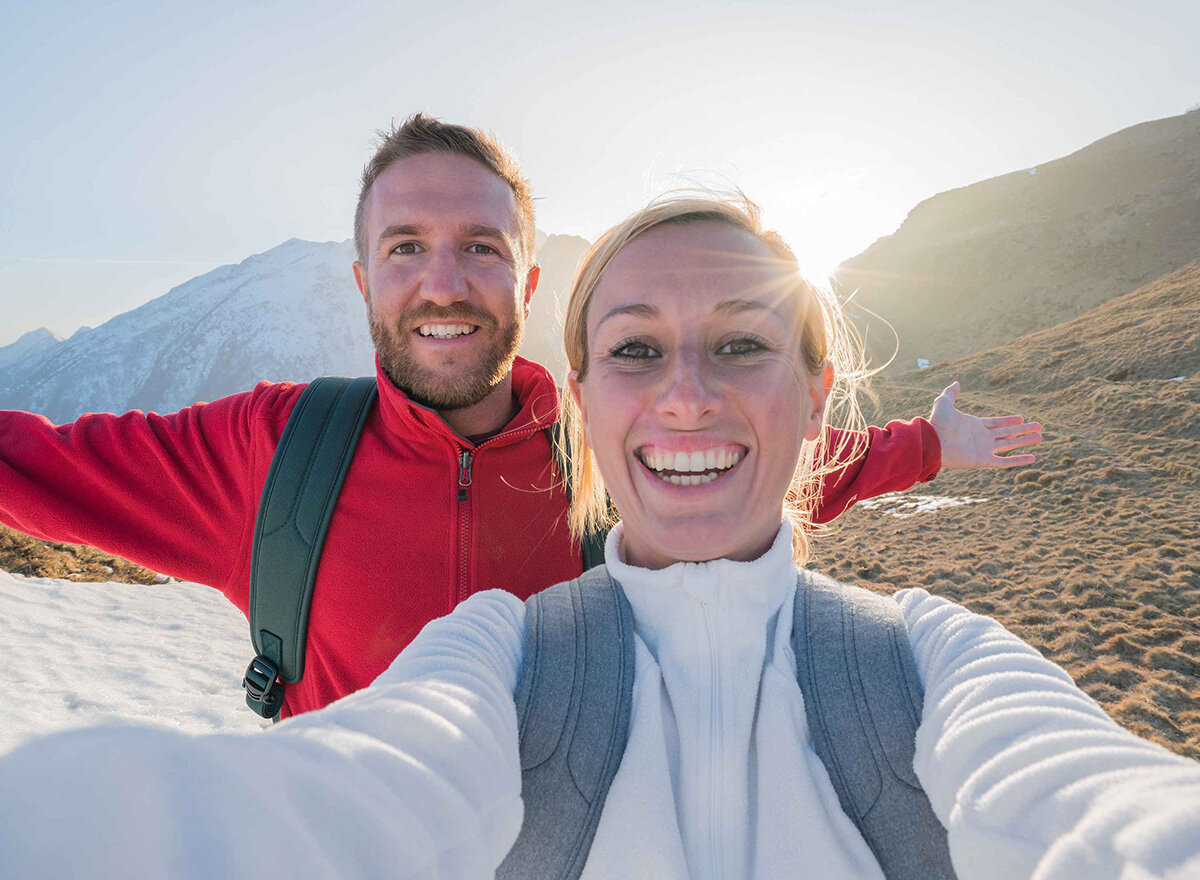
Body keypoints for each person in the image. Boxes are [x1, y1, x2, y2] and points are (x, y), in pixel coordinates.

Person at [0, 192, 1193, 880]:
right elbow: (362, 784)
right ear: (583, 389)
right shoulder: (493, 652)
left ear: (820, 390)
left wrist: (929, 450)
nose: (684, 397)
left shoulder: (938, 663)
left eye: (741, 344)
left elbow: (1089, 808)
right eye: (634, 348)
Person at [0, 114, 1041, 720]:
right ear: (363, 280)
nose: (443, 283)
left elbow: (780, 458)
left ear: (527, 275)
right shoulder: (272, 453)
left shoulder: (608, 448)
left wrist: (934, 444)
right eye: (406, 247)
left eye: (482, 248)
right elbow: (40, 464)